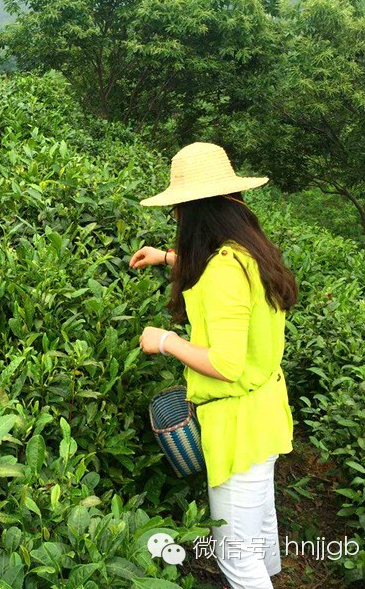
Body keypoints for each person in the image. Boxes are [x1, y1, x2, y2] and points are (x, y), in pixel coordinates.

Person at [129, 142, 298, 589]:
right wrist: (166, 256)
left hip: (239, 427)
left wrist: (165, 341)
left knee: (236, 557)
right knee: (260, 526)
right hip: (264, 411)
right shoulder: (248, 251)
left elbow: (224, 364)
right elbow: (222, 277)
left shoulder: (225, 270)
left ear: (193, 212)